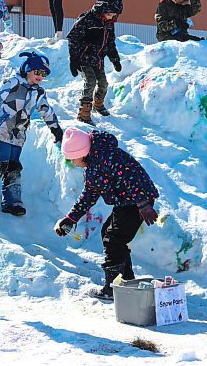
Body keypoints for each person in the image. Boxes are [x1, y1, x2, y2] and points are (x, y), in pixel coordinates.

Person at [55, 127, 159, 300]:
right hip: (128, 202)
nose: (73, 163)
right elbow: (89, 195)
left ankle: (114, 288)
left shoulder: (106, 157)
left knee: (114, 239)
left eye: (73, 159)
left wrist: (143, 204)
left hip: (138, 202)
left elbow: (131, 176)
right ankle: (125, 282)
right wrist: (71, 218)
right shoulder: (95, 163)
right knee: (109, 234)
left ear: (82, 152)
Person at [0, 51, 63, 216]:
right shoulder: (12, 83)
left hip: (17, 136)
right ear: (28, 69)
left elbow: (46, 111)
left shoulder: (38, 93)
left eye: (43, 74)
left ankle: (12, 202)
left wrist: (55, 129)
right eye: (37, 72)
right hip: (0, 130)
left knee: (13, 167)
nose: (40, 76)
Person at [67, 0, 123, 125]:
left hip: (98, 60)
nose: (111, 17)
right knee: (90, 81)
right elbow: (73, 39)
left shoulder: (109, 23)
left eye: (114, 15)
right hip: (83, 58)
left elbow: (110, 42)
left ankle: (98, 104)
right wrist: (74, 60)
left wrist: (115, 59)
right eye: (110, 14)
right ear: (102, 8)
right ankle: (84, 112)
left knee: (103, 83)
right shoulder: (87, 19)